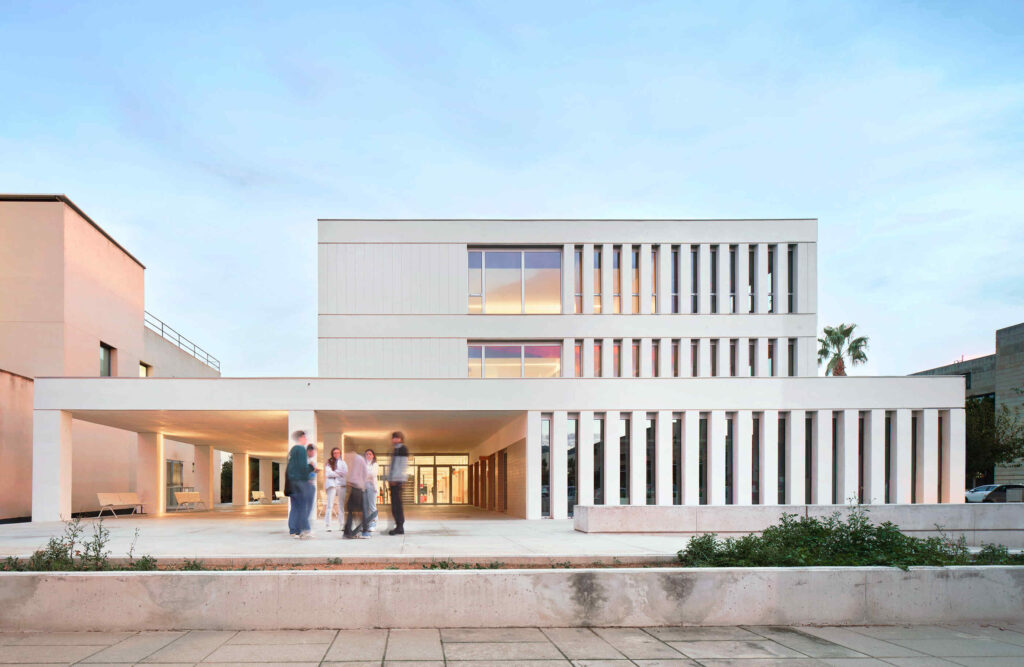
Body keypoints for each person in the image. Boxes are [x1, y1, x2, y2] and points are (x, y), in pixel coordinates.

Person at [286, 431, 314, 538]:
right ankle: (304, 529)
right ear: (300, 438)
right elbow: (303, 467)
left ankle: (293, 530)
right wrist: (311, 467)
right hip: (300, 482)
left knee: (295, 507)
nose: (306, 439)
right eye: (304, 437)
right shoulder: (301, 449)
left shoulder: (292, 450)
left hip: (292, 483)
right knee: (303, 506)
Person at [343, 450, 370, 539]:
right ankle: (364, 532)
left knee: (352, 510)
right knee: (361, 510)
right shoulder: (359, 459)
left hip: (355, 487)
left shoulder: (355, 460)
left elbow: (351, 474)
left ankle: (347, 532)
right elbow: (365, 474)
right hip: (358, 488)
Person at [388, 431, 409, 535]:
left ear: (401, 439)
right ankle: (398, 526)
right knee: (394, 505)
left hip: (397, 481)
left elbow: (402, 465)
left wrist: (396, 479)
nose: (394, 439)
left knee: (397, 505)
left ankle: (400, 527)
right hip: (394, 481)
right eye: (393, 438)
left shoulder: (402, 449)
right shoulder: (395, 449)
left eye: (396, 438)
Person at [323, 447, 347, 532]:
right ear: (332, 454)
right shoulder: (329, 462)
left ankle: (341, 525)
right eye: (334, 453)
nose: (336, 454)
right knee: (330, 505)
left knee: (341, 506)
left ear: (340, 453)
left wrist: (335, 473)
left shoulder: (343, 463)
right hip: (331, 485)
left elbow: (345, 473)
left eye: (338, 453)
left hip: (341, 485)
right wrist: (339, 473)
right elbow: (328, 473)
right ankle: (328, 525)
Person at [363, 449, 379, 532]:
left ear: (373, 455)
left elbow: (373, 474)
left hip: (371, 486)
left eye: (370, 454)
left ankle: (373, 524)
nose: (368, 455)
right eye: (367, 454)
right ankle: (367, 524)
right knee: (365, 507)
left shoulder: (375, 464)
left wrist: (366, 475)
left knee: (372, 506)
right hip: (364, 486)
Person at [306, 443, 319, 529]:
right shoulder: (306, 461)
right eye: (313, 451)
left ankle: (306, 526)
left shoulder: (312, 461)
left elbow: (313, 473)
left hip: (311, 484)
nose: (314, 453)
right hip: (306, 485)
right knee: (307, 506)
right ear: (309, 451)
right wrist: (313, 470)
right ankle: (305, 527)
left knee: (310, 506)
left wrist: (315, 471)